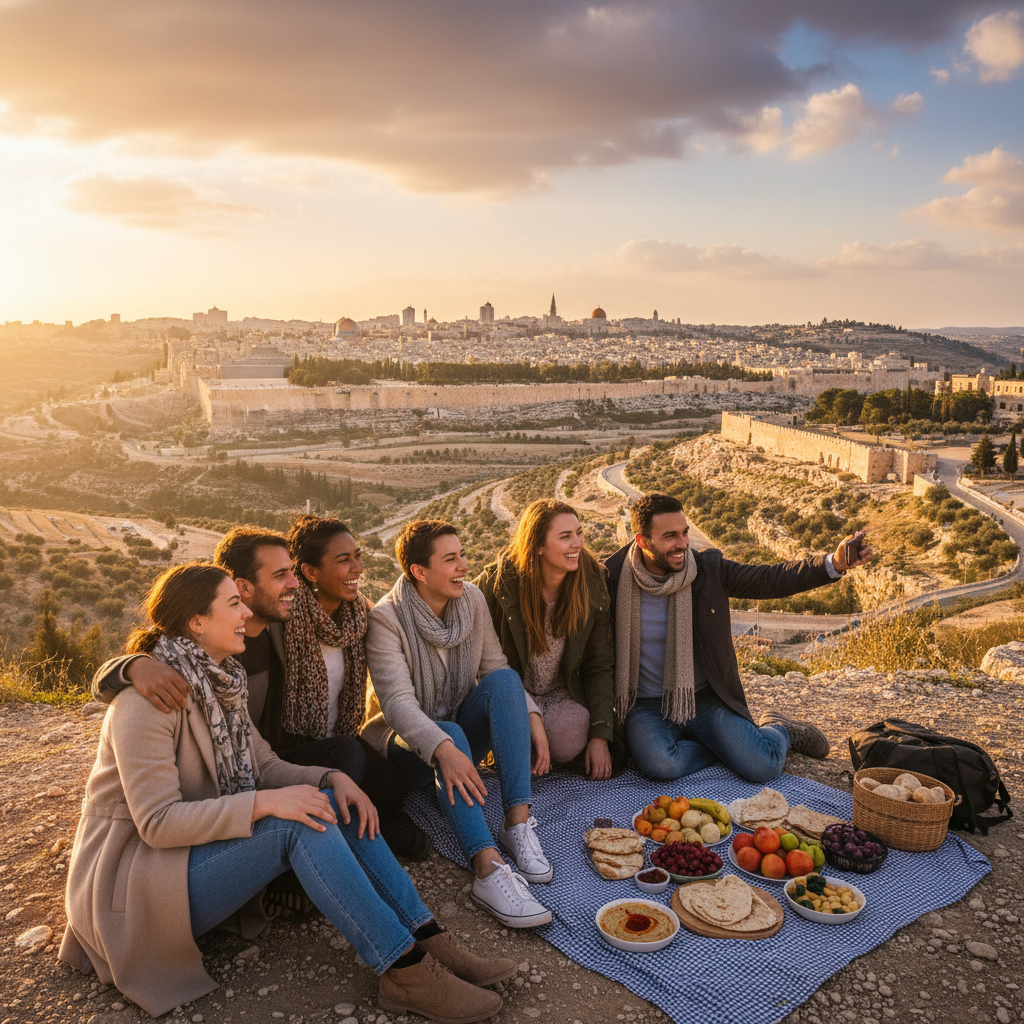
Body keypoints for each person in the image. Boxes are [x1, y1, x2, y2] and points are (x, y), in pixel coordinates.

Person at [61, 562, 512, 1023]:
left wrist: (329, 779)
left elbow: (265, 764)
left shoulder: (222, 683)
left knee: (332, 801)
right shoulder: (144, 704)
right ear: (196, 622)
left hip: (190, 860)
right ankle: (405, 971)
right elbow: (157, 824)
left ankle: (427, 935)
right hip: (140, 888)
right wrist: (268, 802)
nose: (244, 612)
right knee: (299, 824)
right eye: (233, 603)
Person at [90, 523, 428, 860]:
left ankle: (357, 834)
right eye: (281, 575)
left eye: (293, 573)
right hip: (232, 773)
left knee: (388, 786)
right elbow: (153, 645)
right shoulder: (204, 646)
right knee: (347, 757)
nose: (294, 584)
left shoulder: (282, 627)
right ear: (243, 589)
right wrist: (131, 665)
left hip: (263, 757)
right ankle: (309, 860)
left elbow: (336, 613)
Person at [364, 520, 553, 930]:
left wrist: (532, 715)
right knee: (450, 733)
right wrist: (444, 748)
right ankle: (487, 868)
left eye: (463, 555)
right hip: (405, 749)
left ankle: (516, 825)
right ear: (419, 571)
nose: (464, 566)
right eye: (451, 560)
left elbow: (495, 669)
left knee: (505, 680)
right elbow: (397, 705)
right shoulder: (386, 619)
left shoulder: (471, 601)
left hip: (457, 729)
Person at [605, 492, 871, 782]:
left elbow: (770, 579)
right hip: (645, 703)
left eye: (684, 533)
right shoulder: (611, 578)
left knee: (763, 767)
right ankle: (727, 747)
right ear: (642, 541)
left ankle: (780, 730)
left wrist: (833, 563)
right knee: (661, 765)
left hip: (704, 697)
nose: (682, 544)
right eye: (670, 536)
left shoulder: (708, 568)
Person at [475, 499, 625, 781]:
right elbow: (482, 661)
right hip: (514, 693)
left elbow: (599, 664)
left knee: (572, 736)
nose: (577, 544)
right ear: (538, 545)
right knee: (519, 752)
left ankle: (548, 749)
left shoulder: (593, 583)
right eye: (565, 536)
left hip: (562, 694)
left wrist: (600, 734)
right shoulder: (499, 584)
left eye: (579, 533)